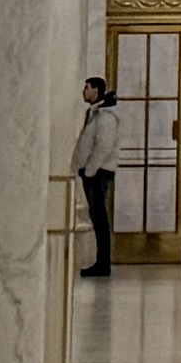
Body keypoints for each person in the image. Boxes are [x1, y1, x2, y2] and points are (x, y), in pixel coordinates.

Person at [71, 74, 127, 276]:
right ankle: (101, 261)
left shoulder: (106, 117)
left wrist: (89, 170)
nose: (84, 91)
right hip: (95, 172)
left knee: (100, 218)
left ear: (96, 90)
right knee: (97, 217)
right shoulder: (98, 114)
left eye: (87, 87)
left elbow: (103, 146)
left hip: (99, 173)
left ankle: (103, 262)